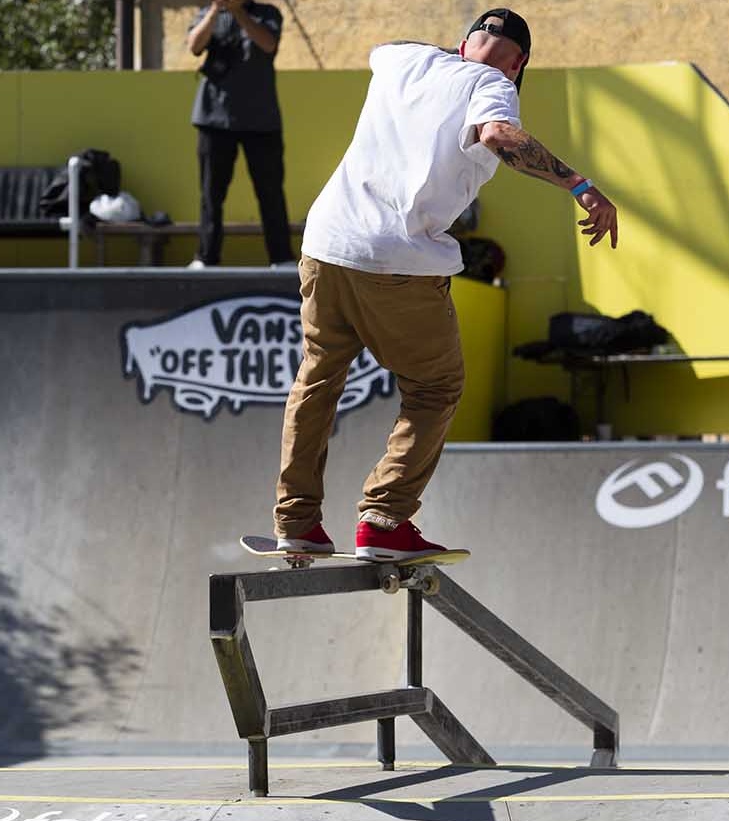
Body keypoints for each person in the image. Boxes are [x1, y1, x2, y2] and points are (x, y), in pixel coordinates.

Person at [270, 8, 619, 560]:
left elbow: (389, 44)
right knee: (434, 387)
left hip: (325, 245)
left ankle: (295, 521)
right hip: (397, 260)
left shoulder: (404, 59)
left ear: (463, 42)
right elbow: (497, 134)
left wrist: (456, 50)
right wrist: (581, 186)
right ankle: (384, 519)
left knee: (317, 377)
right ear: (519, 64)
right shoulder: (492, 86)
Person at [187, 0, 295, 269]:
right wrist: (216, 10)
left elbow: (268, 44)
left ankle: (281, 258)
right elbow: (195, 46)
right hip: (214, 118)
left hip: (261, 120)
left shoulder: (267, 14)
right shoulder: (208, 13)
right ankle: (206, 258)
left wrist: (238, 12)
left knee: (270, 192)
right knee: (211, 194)